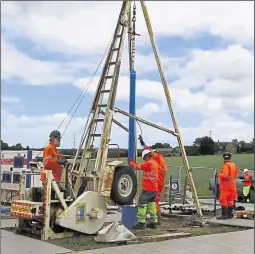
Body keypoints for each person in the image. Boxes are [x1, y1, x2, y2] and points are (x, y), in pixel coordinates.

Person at [138, 135, 168, 225]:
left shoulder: (157, 158)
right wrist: (143, 144)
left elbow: (149, 152)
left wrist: (143, 143)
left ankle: (156, 220)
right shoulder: (160, 160)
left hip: (156, 183)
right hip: (159, 182)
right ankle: (155, 219)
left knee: (153, 201)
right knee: (154, 201)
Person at [128, 149, 159, 229]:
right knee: (152, 205)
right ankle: (153, 222)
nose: (144, 160)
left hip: (148, 189)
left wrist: (131, 163)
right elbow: (143, 165)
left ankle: (141, 223)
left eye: (144, 158)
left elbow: (138, 166)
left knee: (142, 204)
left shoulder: (149, 163)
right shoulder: (154, 163)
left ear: (146, 156)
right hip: (154, 188)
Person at [217, 152, 238, 220]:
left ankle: (224, 215)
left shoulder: (226, 165)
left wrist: (218, 175)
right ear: (230, 157)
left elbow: (225, 175)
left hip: (225, 186)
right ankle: (229, 214)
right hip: (232, 185)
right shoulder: (233, 165)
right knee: (230, 200)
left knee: (223, 200)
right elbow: (235, 174)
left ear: (223, 158)